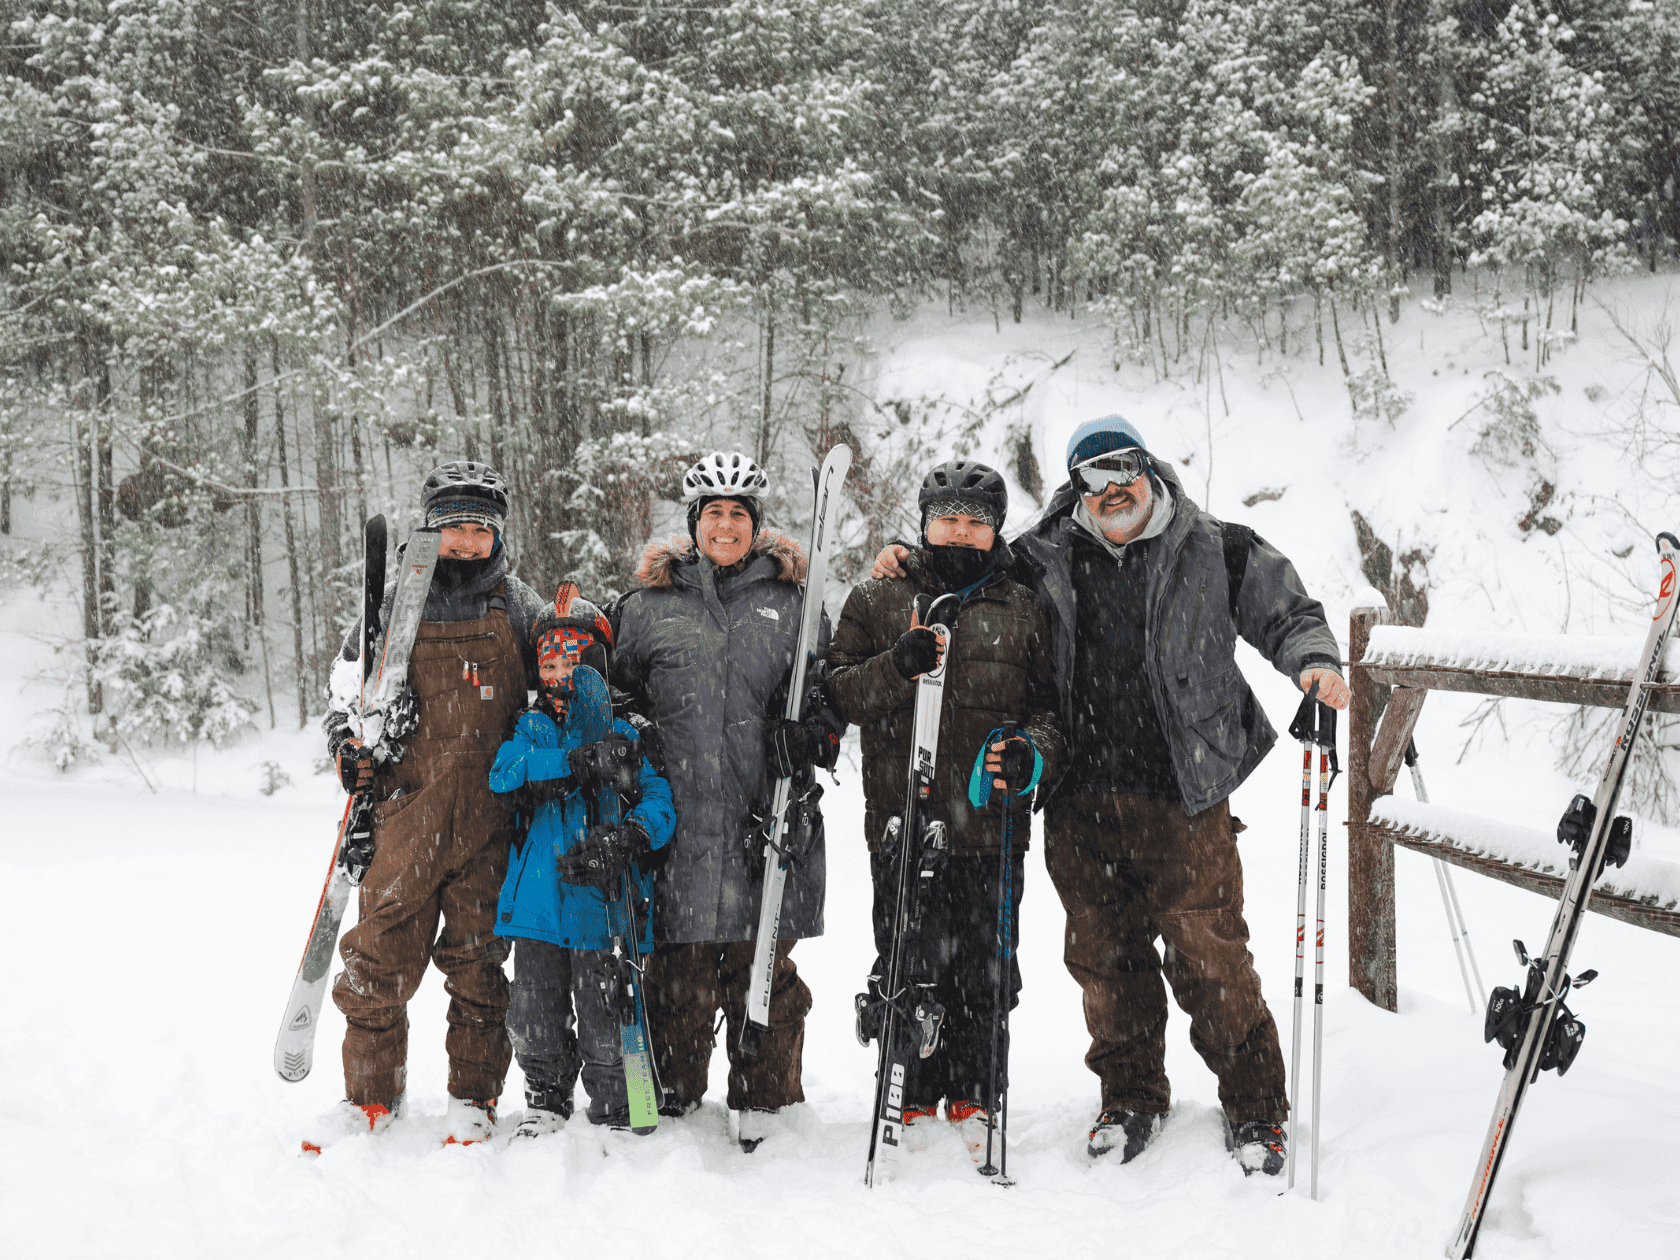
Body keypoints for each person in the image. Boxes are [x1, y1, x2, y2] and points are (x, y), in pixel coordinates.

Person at [871, 417, 1347, 1175]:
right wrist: (908, 561)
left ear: (1147, 468)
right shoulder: (1043, 551)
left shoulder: (1215, 545)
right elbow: (967, 570)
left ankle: (1256, 1108)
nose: (1110, 488)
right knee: (1104, 960)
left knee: (1210, 958)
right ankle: (1130, 1099)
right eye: (1091, 477)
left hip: (1185, 793)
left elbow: (1288, 614)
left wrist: (1314, 663)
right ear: (1076, 489)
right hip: (1080, 796)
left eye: (1122, 469)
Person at [610, 451, 844, 1153]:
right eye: (713, 512)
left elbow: (832, 690)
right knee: (678, 970)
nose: (726, 524)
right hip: (677, 819)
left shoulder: (794, 604)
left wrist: (814, 732)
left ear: (756, 525)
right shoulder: (647, 607)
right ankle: (676, 1097)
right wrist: (632, 743)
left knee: (762, 965)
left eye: (738, 513)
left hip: (763, 815)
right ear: (693, 523)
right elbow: (618, 695)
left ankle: (765, 1102)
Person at [312, 461, 549, 1149]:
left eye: (481, 530)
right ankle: (370, 1099)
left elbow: (560, 679)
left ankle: (473, 1098)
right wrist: (347, 743)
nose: (468, 542)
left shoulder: (518, 604)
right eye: (454, 529)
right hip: (404, 815)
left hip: (491, 819)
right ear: (429, 530)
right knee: (378, 960)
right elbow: (344, 688)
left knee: (478, 964)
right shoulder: (391, 607)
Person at [831, 460, 1062, 1156]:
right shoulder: (878, 597)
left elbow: (1052, 711)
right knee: (908, 954)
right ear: (924, 520)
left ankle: (975, 1091)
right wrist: (893, 667)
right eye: (948, 518)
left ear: (995, 530)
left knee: (987, 969)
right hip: (904, 819)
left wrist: (1031, 753)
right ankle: (909, 1083)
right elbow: (839, 695)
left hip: (991, 826)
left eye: (975, 521)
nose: (960, 532)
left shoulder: (1023, 605)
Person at [489, 583, 676, 1137]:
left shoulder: (628, 731)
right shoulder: (530, 726)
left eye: (573, 656)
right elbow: (506, 772)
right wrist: (571, 762)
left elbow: (660, 799)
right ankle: (546, 1094)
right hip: (539, 905)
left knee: (606, 1013)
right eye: (548, 658)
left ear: (598, 659)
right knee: (534, 1012)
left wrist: (631, 837)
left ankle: (617, 1100)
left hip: (604, 904)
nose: (559, 669)